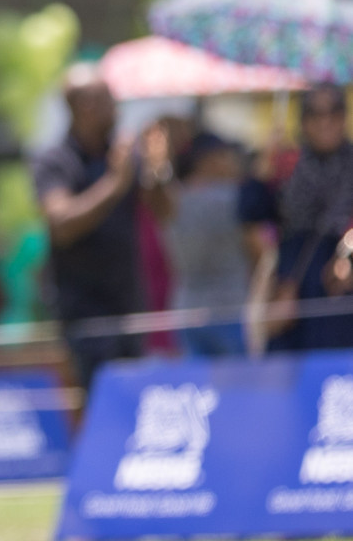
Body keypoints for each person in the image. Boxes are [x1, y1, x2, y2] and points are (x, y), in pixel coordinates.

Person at [34, 67, 171, 392]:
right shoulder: (55, 161)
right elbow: (62, 225)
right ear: (85, 107)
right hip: (83, 313)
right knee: (99, 406)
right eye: (109, 100)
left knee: (133, 405)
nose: (117, 108)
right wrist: (115, 184)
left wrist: (156, 169)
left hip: (129, 304)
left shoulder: (122, 155)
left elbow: (165, 212)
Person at [268, 83, 353, 348]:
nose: (325, 122)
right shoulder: (287, 168)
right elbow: (263, 224)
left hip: (339, 287)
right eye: (314, 114)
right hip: (294, 288)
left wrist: (347, 255)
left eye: (333, 112)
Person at [162, 133, 251, 356]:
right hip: (231, 307)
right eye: (226, 155)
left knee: (198, 387)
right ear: (208, 160)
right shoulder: (235, 196)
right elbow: (257, 246)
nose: (234, 161)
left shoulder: (174, 198)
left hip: (186, 306)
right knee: (238, 386)